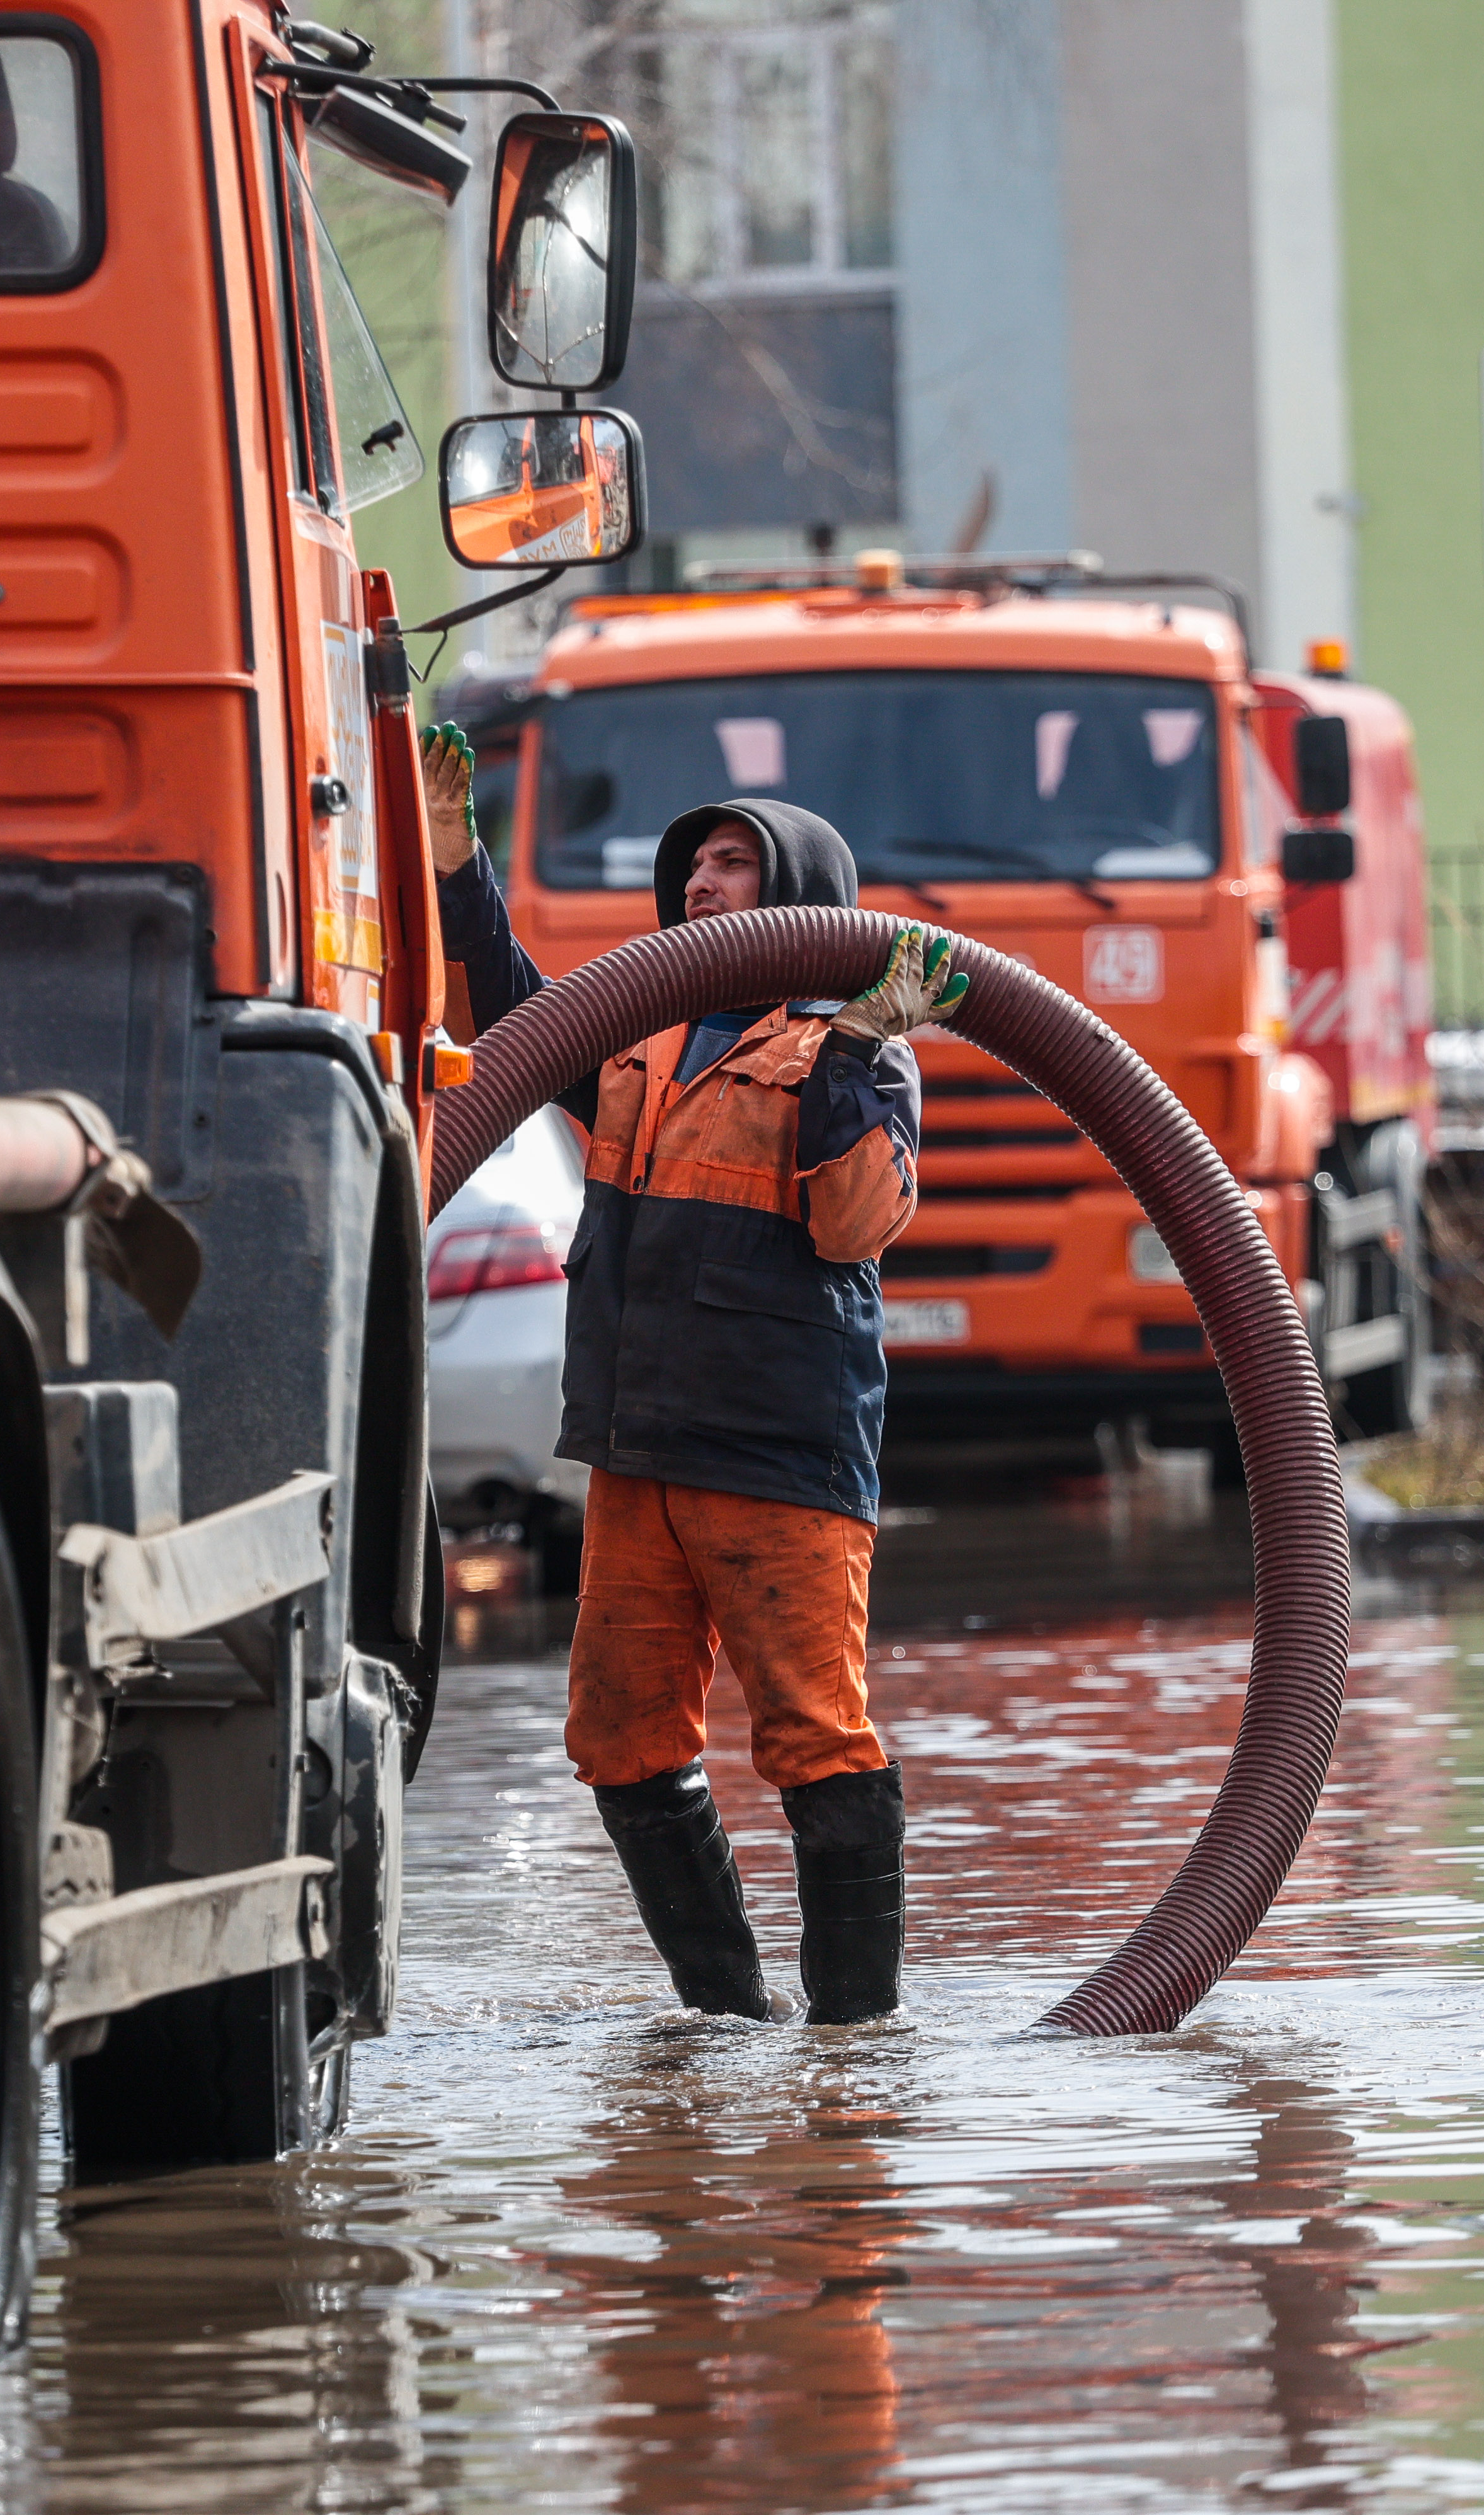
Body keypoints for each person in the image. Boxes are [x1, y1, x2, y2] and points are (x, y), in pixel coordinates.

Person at [417, 723, 967, 2025]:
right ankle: (728, 2017)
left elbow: (852, 1224)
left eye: (735, 862)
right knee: (618, 1737)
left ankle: (854, 2046)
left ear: (798, 899)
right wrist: (457, 861)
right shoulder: (642, 1043)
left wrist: (847, 1047)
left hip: (778, 1455)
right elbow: (513, 1016)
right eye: (698, 865)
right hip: (633, 1448)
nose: (705, 883)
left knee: (813, 1733)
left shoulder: (865, 1058)